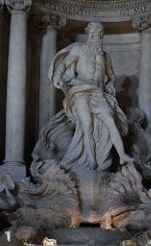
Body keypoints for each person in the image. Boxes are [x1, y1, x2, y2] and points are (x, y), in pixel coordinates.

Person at [48, 21, 132, 171]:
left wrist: (110, 84)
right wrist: (58, 77)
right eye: (93, 34)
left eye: (99, 34)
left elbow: (111, 75)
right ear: (88, 34)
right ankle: (91, 160)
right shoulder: (79, 50)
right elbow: (63, 65)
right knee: (86, 126)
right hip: (81, 91)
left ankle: (122, 155)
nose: (96, 37)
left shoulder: (105, 56)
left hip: (99, 93)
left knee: (111, 121)